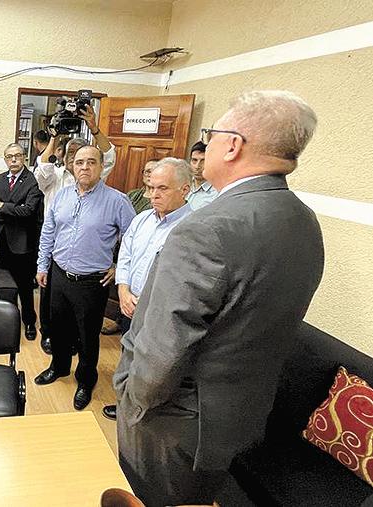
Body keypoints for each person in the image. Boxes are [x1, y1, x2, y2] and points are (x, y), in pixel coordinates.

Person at [114, 91, 324, 506]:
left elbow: (164, 345)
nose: (205, 144)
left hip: (174, 423)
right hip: (239, 417)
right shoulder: (303, 220)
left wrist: (131, 399)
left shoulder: (206, 227)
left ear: (233, 145)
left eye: (210, 135)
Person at [35, 145, 135, 410]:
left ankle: (86, 381)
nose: (84, 167)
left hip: (92, 282)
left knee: (87, 336)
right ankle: (59, 367)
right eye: (79, 162)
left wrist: (118, 267)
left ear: (101, 166)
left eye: (91, 162)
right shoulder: (61, 196)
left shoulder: (117, 201)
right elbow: (48, 232)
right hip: (59, 274)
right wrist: (42, 265)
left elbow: (133, 239)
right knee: (58, 328)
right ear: (72, 166)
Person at [101, 158, 193, 421]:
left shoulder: (192, 227)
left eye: (162, 188)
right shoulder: (142, 219)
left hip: (161, 312)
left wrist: (145, 300)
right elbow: (126, 255)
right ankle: (126, 404)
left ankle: (146, 412)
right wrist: (123, 289)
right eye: (151, 188)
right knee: (128, 355)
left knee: (154, 365)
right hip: (130, 303)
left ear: (184, 190)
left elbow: (186, 280)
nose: (153, 195)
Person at [34, 104, 117, 354]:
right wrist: (54, 136)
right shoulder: (55, 176)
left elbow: (109, 155)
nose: (76, 161)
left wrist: (94, 128)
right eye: (71, 154)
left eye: (84, 158)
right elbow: (41, 167)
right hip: (55, 251)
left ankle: (74, 341)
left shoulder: (95, 180)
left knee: (79, 310)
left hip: (85, 259)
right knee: (50, 302)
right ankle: (49, 336)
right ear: (62, 156)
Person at [0, 143, 44, 340]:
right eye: (9, 156)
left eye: (17, 155)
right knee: (5, 286)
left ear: (24, 157)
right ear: (5, 159)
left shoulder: (32, 181)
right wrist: (14, 208)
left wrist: (2, 206)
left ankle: (29, 321)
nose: (13, 160)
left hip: (23, 245)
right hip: (2, 243)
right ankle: (7, 323)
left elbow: (29, 211)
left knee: (25, 287)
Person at [101, 159, 159, 336]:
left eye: (153, 171)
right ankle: (121, 320)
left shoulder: (163, 209)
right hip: (123, 253)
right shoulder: (133, 196)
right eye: (147, 171)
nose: (149, 175)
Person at [185, 141, 218, 210]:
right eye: (194, 160)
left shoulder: (217, 193)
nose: (197, 166)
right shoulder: (182, 184)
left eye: (203, 161)